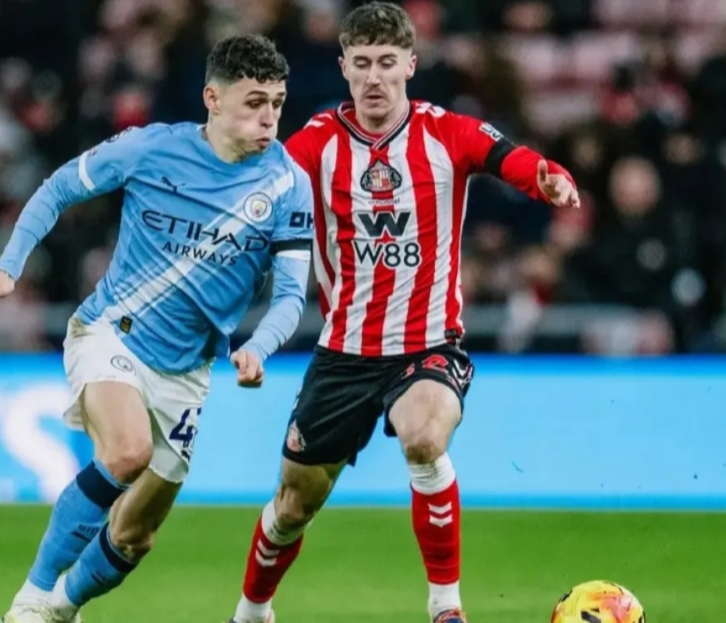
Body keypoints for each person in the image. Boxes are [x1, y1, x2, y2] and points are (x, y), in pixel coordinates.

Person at [225, 3, 580, 623]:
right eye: (361, 63)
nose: (374, 78)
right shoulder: (315, 143)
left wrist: (546, 177)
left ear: (410, 65)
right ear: (343, 67)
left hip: (429, 345)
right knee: (292, 507)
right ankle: (253, 611)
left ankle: (446, 608)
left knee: (424, 437)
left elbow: (510, 156)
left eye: (387, 63)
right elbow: (256, 190)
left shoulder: (445, 132)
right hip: (343, 356)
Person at [0, 34, 314, 623]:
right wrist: (9, 266)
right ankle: (30, 600)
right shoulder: (151, 149)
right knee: (127, 452)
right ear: (212, 98)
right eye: (255, 102)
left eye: (277, 104)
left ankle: (61, 609)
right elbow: (59, 187)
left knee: (134, 536)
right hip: (113, 332)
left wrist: (259, 345)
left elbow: (290, 295)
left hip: (189, 372)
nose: (269, 118)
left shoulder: (287, 185)